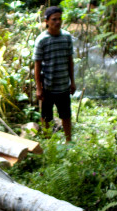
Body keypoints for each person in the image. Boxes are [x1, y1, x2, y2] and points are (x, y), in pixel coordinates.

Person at [34, 6, 76, 142]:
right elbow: (37, 65)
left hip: (63, 85)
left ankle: (68, 141)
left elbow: (70, 61)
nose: (57, 22)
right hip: (48, 86)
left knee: (66, 115)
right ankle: (48, 142)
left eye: (59, 19)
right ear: (47, 21)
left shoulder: (67, 37)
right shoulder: (42, 40)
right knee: (46, 116)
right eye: (54, 19)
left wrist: (72, 82)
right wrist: (39, 88)